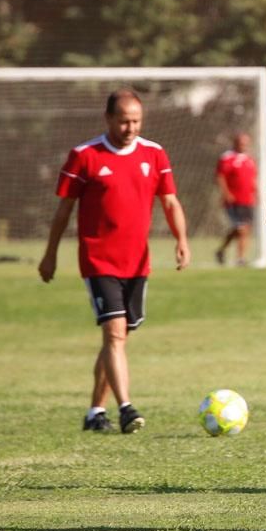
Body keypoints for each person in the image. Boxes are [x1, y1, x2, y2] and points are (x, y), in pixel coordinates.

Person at [39, 90, 191, 434]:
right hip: (98, 260)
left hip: (137, 263)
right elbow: (64, 210)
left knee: (117, 339)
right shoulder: (84, 156)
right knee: (115, 334)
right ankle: (125, 407)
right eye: (123, 120)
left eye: (136, 120)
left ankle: (95, 412)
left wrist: (181, 240)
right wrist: (50, 254)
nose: (130, 127)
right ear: (108, 118)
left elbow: (170, 201)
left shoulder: (154, 154)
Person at [215, 132, 257, 266]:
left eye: (246, 143)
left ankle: (221, 250)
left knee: (244, 229)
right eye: (241, 142)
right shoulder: (227, 158)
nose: (244, 145)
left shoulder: (249, 159)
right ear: (235, 143)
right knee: (241, 229)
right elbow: (220, 177)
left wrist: (256, 192)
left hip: (247, 200)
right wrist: (226, 193)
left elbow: (252, 178)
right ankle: (240, 259)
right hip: (233, 201)